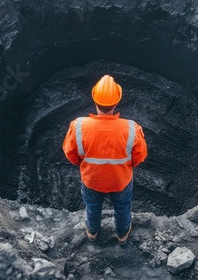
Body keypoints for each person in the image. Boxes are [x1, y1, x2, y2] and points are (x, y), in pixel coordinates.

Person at [62, 75, 148, 245]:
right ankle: (122, 235)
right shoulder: (131, 128)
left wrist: (83, 164)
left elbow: (70, 154)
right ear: (116, 103)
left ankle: (92, 232)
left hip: (92, 180)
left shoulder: (78, 126)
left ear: (95, 100)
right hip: (120, 181)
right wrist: (125, 167)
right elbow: (140, 157)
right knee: (122, 208)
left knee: (93, 207)